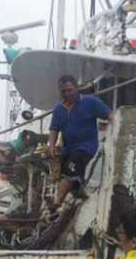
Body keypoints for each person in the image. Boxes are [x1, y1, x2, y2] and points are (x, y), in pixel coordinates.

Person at [48, 75, 112, 209]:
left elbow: (111, 116)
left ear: (77, 88)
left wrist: (113, 131)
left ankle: (56, 204)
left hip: (86, 147)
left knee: (73, 167)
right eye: (64, 91)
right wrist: (52, 146)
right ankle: (80, 195)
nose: (67, 94)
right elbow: (54, 129)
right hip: (68, 149)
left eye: (70, 90)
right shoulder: (58, 109)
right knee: (69, 173)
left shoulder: (91, 102)